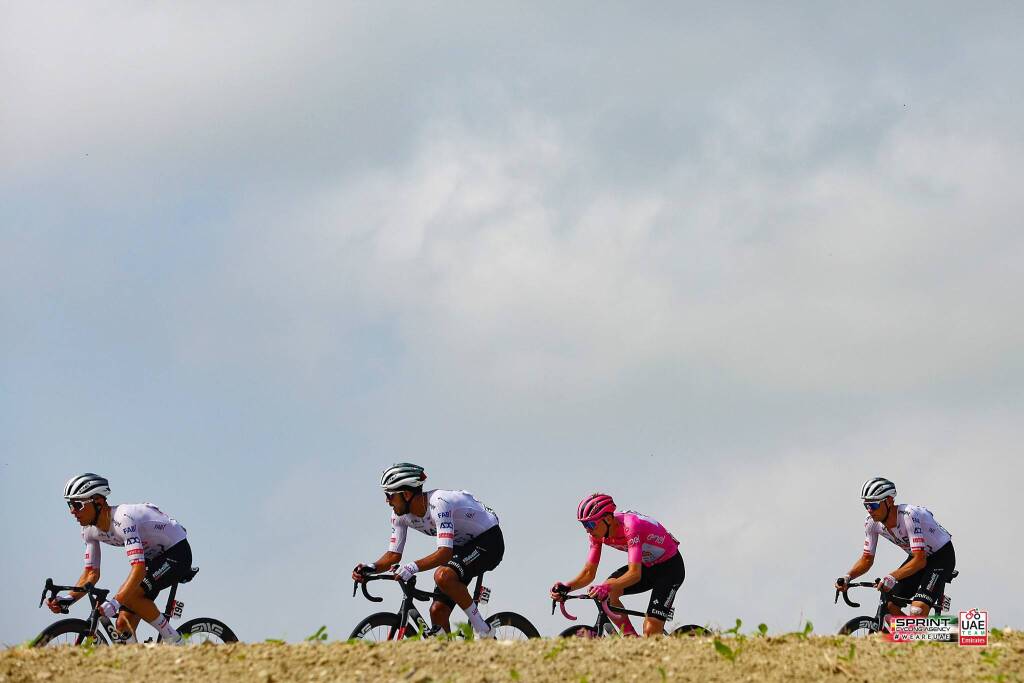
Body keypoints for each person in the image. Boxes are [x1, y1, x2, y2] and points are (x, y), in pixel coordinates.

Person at [351, 463, 504, 638]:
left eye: (390, 495)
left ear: (406, 494)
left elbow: (445, 552)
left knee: (443, 576)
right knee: (437, 612)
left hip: (488, 541)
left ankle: (483, 630)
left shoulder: (439, 503)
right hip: (462, 547)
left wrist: (412, 567)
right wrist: (370, 567)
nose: (387, 501)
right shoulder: (399, 516)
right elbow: (393, 555)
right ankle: (451, 660)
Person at [46, 473, 193, 644]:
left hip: (176, 553)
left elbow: (138, 568)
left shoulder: (123, 520)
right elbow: (91, 574)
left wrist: (115, 603)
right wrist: (68, 599)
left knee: (130, 596)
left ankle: (174, 639)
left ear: (99, 502)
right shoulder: (88, 530)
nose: (72, 511)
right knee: (123, 626)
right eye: (69, 505)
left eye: (78, 505)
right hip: (153, 559)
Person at [550, 493, 685, 637]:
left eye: (590, 524)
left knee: (650, 630)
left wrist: (606, 587)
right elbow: (589, 573)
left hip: (669, 569)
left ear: (608, 519)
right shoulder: (597, 534)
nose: (587, 529)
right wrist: (567, 587)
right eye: (584, 525)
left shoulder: (631, 526)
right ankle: (631, 638)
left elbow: (634, 574)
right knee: (609, 592)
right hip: (647, 566)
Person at [835, 477, 956, 620]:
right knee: (890, 605)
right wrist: (848, 577)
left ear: (889, 501)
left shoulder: (909, 515)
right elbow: (867, 559)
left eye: (873, 505)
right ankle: (913, 636)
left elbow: (920, 560)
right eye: (866, 505)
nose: (869, 510)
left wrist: (892, 576)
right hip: (917, 556)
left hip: (940, 557)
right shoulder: (871, 523)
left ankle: (922, 634)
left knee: (917, 610)